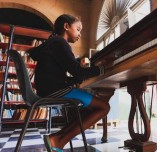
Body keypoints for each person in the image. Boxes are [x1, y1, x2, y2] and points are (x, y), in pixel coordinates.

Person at [29, 14, 110, 152]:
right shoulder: (60, 43)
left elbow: (69, 74)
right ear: (66, 26)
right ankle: (58, 140)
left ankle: (57, 138)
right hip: (55, 90)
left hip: (49, 89)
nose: (80, 34)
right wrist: (102, 68)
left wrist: (78, 76)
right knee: (103, 107)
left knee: (87, 109)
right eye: (78, 29)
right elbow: (78, 72)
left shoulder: (53, 42)